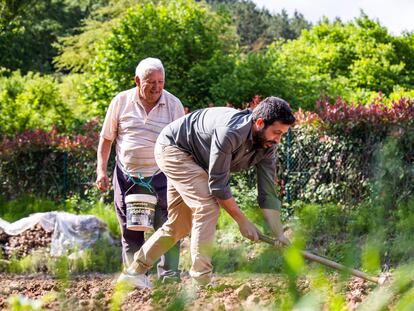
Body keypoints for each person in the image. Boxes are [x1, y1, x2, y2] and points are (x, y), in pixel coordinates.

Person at [120, 96, 295, 289]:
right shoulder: (230, 132)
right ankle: (201, 282)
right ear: (260, 123)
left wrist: (279, 234)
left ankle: (133, 271)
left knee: (180, 224)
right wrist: (242, 221)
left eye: (282, 134)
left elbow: (268, 194)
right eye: (276, 132)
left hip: (196, 162)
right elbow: (218, 186)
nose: (278, 139)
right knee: (208, 207)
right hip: (174, 148)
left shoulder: (268, 148)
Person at [96, 57, 185, 284]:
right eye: (150, 82)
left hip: (162, 176)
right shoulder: (121, 101)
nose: (156, 87)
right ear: (137, 81)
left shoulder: (173, 104)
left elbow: (183, 144)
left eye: (160, 81)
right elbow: (107, 139)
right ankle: (136, 278)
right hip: (127, 176)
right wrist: (101, 171)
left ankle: (169, 278)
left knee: (167, 224)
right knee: (130, 227)